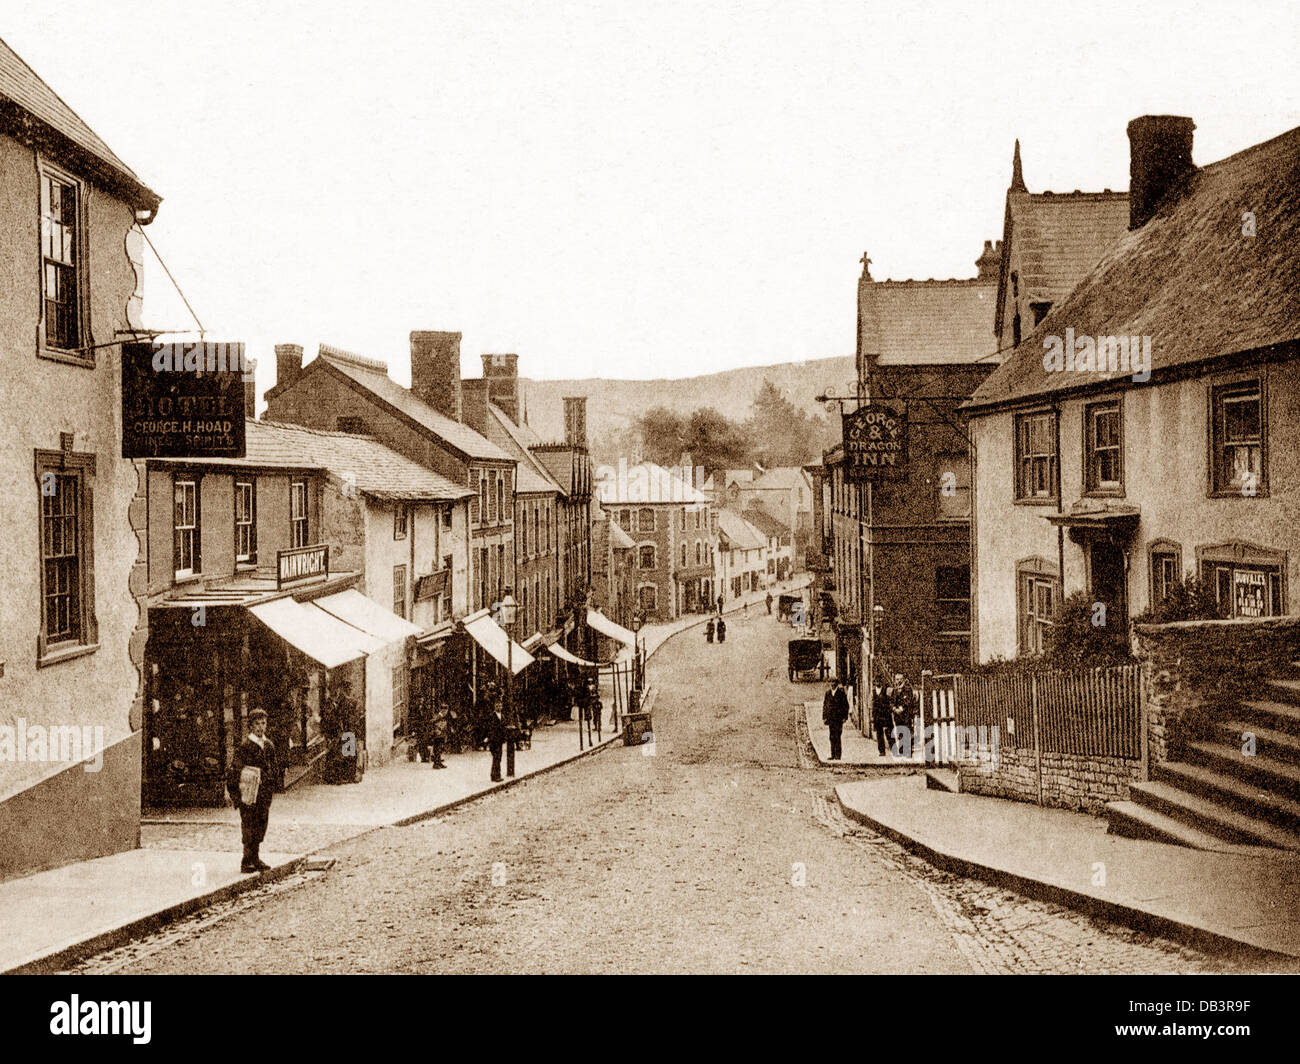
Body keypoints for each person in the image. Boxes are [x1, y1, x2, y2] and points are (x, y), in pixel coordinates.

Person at [229, 708, 276, 873]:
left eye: (263, 723)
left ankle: (256, 857)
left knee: (261, 824)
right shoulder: (245, 746)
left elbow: (273, 768)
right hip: (248, 794)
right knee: (249, 824)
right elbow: (235, 771)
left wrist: (270, 785)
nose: (260, 727)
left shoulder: (268, 745)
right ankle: (246, 859)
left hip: (263, 793)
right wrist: (236, 796)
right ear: (251, 726)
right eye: (257, 724)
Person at [822, 678, 850, 760]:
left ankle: (838, 755)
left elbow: (846, 706)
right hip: (831, 718)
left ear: (837, 683)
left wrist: (845, 717)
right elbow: (825, 706)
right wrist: (824, 717)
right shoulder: (828, 693)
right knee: (831, 736)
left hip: (838, 718)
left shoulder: (841, 693)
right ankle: (832, 754)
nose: (832, 684)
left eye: (834, 682)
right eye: (831, 682)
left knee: (838, 736)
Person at [871, 682, 893, 757]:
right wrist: (872, 716)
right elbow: (871, 705)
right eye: (876, 681)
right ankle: (881, 751)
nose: (877, 682)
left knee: (889, 732)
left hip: (885, 714)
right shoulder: (873, 692)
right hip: (877, 715)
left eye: (879, 680)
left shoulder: (886, 690)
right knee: (879, 733)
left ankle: (893, 749)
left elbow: (890, 701)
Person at [429, 699, 449, 768]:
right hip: (438, 732)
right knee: (437, 747)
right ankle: (436, 763)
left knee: (440, 747)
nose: (445, 710)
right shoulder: (439, 715)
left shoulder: (443, 715)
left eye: (446, 708)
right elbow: (433, 721)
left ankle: (439, 762)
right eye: (443, 708)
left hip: (442, 732)